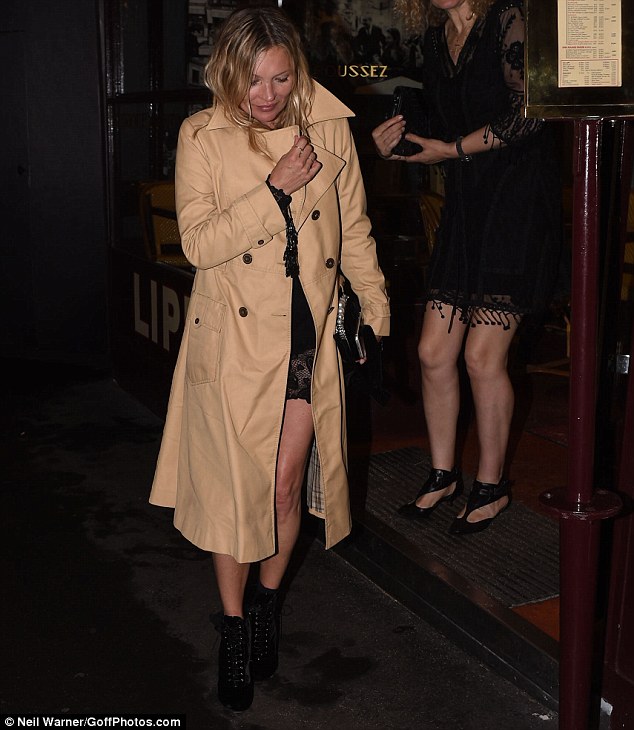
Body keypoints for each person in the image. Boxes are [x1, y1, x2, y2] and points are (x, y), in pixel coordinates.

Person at [149, 6, 390, 712]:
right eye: (253, 80)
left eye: (281, 78)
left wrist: (375, 314)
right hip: (234, 339)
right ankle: (231, 628)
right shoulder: (202, 135)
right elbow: (198, 243)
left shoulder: (330, 127)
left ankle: (264, 606)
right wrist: (274, 188)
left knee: (285, 489)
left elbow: (354, 229)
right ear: (228, 73)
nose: (268, 95)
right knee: (235, 494)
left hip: (306, 339)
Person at [372, 0, 561, 535]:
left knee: (482, 357)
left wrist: (451, 149)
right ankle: (442, 475)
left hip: (516, 205)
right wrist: (393, 144)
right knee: (433, 352)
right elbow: (437, 125)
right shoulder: (437, 39)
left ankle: (491, 485)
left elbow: (530, 112)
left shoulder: (507, 20)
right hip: (466, 205)